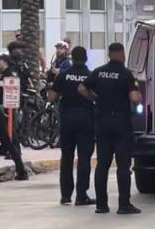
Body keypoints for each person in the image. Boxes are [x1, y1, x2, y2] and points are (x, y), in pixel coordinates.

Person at [79, 42, 142, 215]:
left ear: (109, 54)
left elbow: (82, 88)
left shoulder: (98, 72)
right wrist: (138, 94)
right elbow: (135, 98)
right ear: (121, 54)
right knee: (123, 166)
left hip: (103, 121)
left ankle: (101, 205)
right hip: (121, 123)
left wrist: (95, 99)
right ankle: (123, 205)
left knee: (102, 165)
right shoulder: (126, 74)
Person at [47, 46, 95, 206]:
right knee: (84, 158)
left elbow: (51, 96)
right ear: (86, 58)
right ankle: (81, 195)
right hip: (86, 120)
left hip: (67, 119)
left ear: (72, 58)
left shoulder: (63, 75)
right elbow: (96, 97)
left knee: (67, 157)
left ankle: (66, 195)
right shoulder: (90, 76)